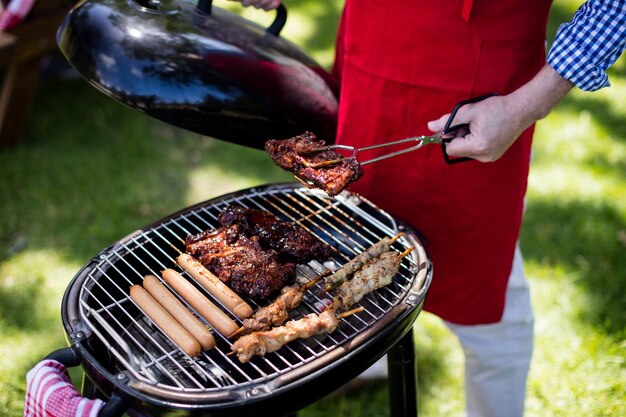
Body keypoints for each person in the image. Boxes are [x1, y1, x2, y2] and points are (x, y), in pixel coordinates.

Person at [234, 0, 625, 416]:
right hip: (374, 51)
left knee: (489, 305)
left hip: (475, 85)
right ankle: (371, 356)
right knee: (359, 234)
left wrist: (527, 104)